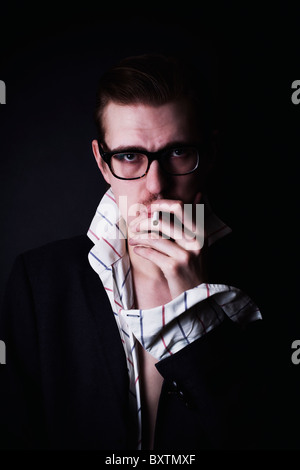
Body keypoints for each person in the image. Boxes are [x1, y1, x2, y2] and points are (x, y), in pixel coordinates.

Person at [0, 53, 289, 451]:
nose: (156, 185)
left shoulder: (272, 279)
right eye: (130, 156)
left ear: (210, 155)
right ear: (103, 163)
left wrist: (196, 309)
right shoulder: (39, 284)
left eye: (177, 152)